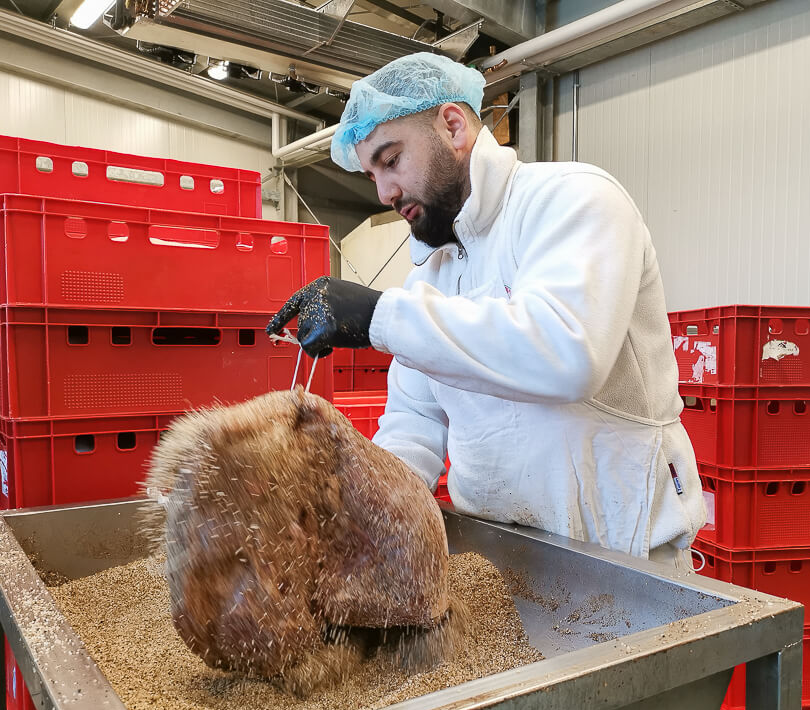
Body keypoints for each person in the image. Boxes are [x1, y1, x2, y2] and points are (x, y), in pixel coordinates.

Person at [268, 52, 705, 569]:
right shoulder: (429, 278)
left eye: (391, 160)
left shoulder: (573, 201)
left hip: (626, 562)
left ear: (452, 126)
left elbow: (568, 353)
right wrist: (360, 519)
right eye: (372, 175)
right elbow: (414, 426)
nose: (385, 192)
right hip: (497, 562)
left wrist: (379, 316)